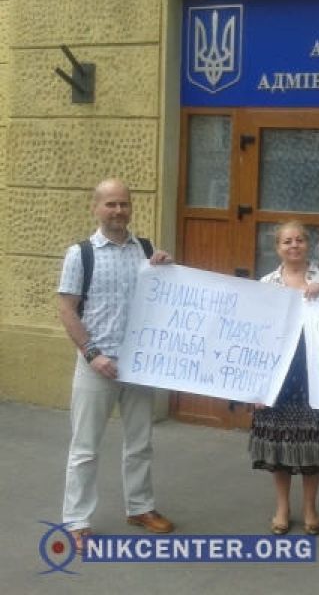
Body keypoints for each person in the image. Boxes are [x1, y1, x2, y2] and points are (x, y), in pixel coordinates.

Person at [57, 178, 175, 553]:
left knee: (140, 444)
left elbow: (164, 298)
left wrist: (166, 270)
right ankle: (77, 521)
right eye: (110, 204)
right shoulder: (81, 254)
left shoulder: (146, 250)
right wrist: (93, 354)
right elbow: (67, 310)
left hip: (138, 365)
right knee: (85, 448)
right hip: (96, 364)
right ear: (95, 208)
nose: (118, 211)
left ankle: (140, 508)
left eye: (123, 204)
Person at [249, 220, 319, 536]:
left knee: (314, 444)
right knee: (279, 444)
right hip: (279, 375)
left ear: (308, 244)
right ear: (278, 248)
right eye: (287, 241)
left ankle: (310, 508)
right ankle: (282, 507)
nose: (294, 246)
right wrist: (257, 386)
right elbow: (257, 337)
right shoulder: (267, 283)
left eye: (299, 240)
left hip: (316, 373)